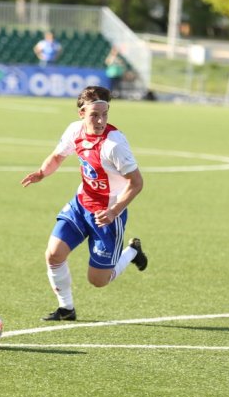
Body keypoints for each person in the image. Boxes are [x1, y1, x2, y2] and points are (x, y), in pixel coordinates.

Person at [20, 85, 147, 321]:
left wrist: (114, 211)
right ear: (81, 114)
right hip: (81, 204)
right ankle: (66, 308)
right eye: (94, 115)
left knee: (98, 281)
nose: (100, 121)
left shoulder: (114, 146)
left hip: (108, 215)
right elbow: (58, 156)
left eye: (104, 114)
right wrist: (41, 173)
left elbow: (137, 183)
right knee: (54, 254)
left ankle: (131, 252)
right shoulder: (74, 131)